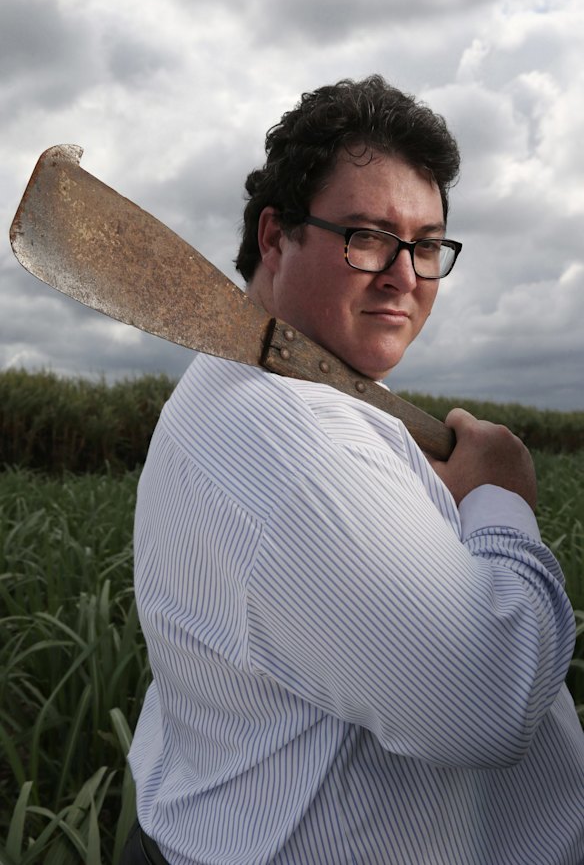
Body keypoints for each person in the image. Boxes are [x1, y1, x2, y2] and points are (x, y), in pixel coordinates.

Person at [124, 76, 584, 864]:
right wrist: (502, 500)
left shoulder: (247, 384)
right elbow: (487, 704)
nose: (405, 274)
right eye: (368, 235)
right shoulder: (302, 439)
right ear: (276, 237)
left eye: (428, 244)